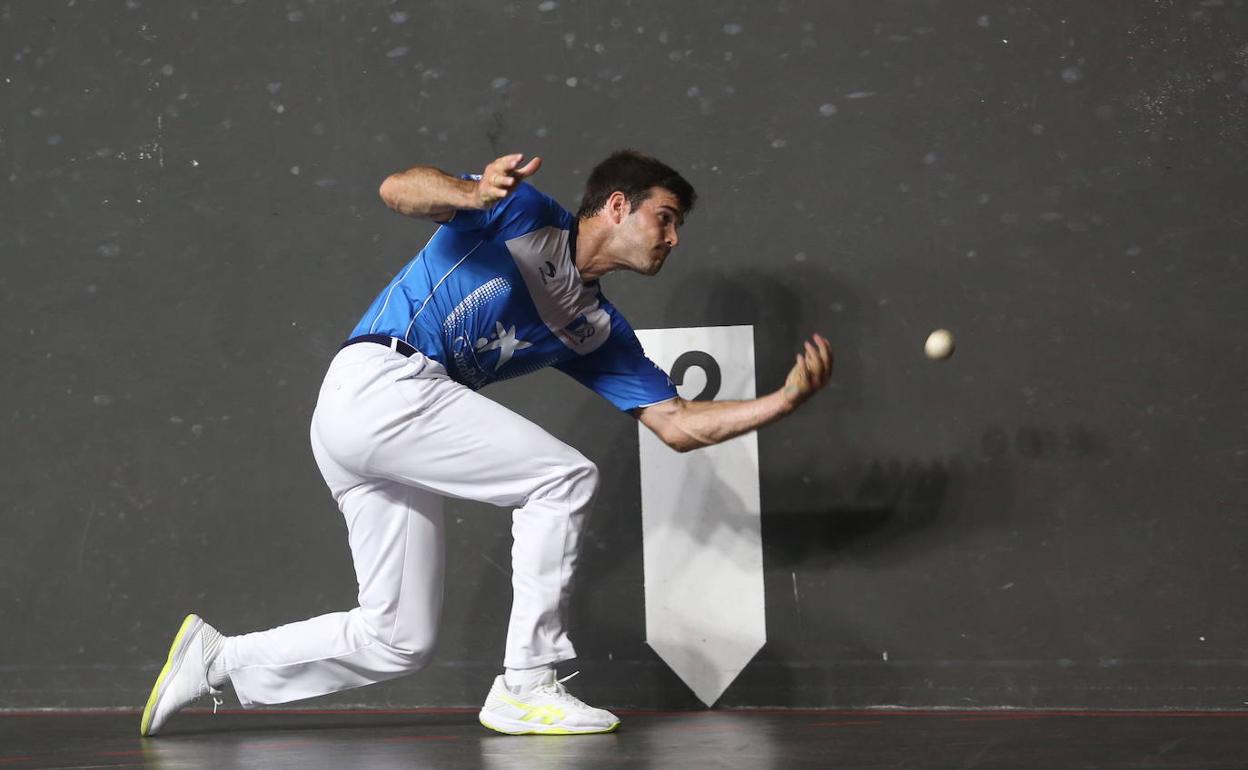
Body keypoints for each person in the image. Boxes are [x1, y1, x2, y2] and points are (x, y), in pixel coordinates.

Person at [139, 149, 833, 737]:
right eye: (666, 219)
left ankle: (219, 660)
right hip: (383, 381)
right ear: (617, 206)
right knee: (562, 478)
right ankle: (527, 679)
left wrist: (783, 400)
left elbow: (676, 423)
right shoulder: (520, 210)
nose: (673, 239)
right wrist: (470, 192)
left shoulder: (597, 328)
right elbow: (398, 190)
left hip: (378, 426)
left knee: (398, 638)